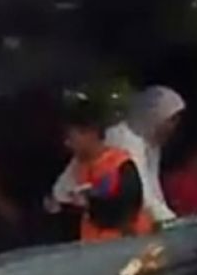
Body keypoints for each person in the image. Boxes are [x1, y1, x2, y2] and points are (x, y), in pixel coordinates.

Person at [51, 85, 184, 225]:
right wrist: (173, 224)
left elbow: (153, 192)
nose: (174, 127)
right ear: (156, 114)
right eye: (172, 119)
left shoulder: (150, 143)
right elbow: (143, 196)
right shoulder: (124, 141)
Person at [47, 99, 153, 242]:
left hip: (127, 242)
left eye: (71, 137)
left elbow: (127, 208)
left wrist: (90, 202)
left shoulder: (120, 163)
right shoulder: (76, 166)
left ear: (91, 132)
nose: (67, 143)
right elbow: (60, 196)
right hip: (93, 245)